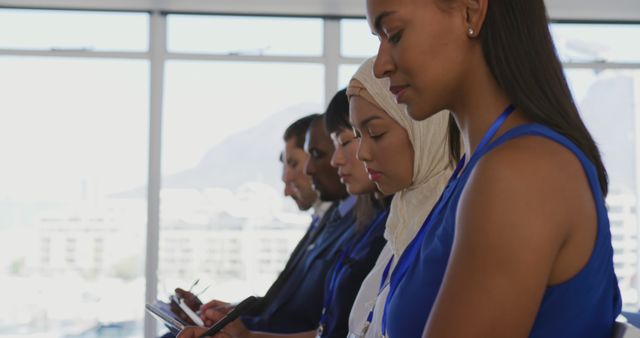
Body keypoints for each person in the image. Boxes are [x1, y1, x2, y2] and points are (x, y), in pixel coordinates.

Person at [366, 0, 622, 337]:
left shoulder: (521, 173)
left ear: (471, 13)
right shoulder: (477, 167)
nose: (380, 66)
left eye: (394, 35)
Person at [177, 89, 390, 338]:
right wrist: (230, 315)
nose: (333, 161)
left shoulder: (376, 226)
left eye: (343, 143)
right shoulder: (342, 219)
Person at [345, 57, 457, 338]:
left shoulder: (457, 225)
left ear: (425, 128)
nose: (362, 153)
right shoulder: (403, 222)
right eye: (358, 135)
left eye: (376, 133)